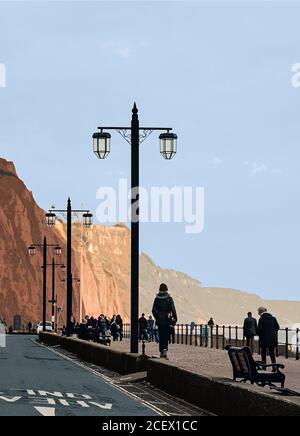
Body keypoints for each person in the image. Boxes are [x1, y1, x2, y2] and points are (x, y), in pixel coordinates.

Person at [152, 283, 177, 359]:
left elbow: (153, 310)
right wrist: (175, 319)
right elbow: (173, 310)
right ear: (166, 289)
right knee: (166, 336)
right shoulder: (169, 299)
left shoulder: (156, 299)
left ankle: (161, 351)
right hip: (167, 320)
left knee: (161, 335)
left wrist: (157, 317)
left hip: (159, 321)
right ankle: (165, 350)